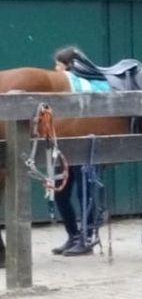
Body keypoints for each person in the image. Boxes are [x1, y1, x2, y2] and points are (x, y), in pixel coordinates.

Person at [49, 46, 106, 257]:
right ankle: (73, 235)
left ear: (68, 66)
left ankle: (87, 237)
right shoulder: (63, 90)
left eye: (58, 65)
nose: (56, 70)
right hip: (66, 148)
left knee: (85, 193)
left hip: (85, 146)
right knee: (60, 193)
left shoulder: (87, 86)